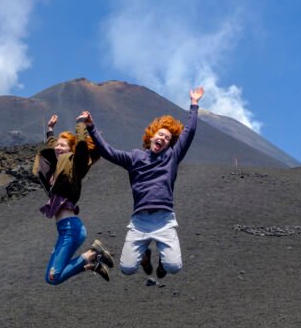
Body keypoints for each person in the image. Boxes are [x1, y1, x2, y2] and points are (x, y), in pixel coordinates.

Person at [80, 86, 204, 278]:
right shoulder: (135, 157)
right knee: (127, 269)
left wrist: (194, 104)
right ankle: (145, 252)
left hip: (164, 220)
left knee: (174, 267)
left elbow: (189, 133)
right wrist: (91, 127)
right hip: (140, 222)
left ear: (170, 144)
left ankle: (163, 256)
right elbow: (108, 152)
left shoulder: (172, 157)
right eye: (160, 134)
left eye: (167, 138)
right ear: (152, 135)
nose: (162, 138)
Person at [33, 113, 114, 285]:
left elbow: (82, 145)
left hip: (71, 230)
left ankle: (93, 253)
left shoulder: (76, 166)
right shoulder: (58, 170)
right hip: (64, 230)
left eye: (63, 146)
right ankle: (91, 265)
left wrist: (80, 123)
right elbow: (54, 147)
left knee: (54, 278)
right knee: (50, 277)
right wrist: (50, 130)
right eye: (57, 145)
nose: (58, 147)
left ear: (71, 150)